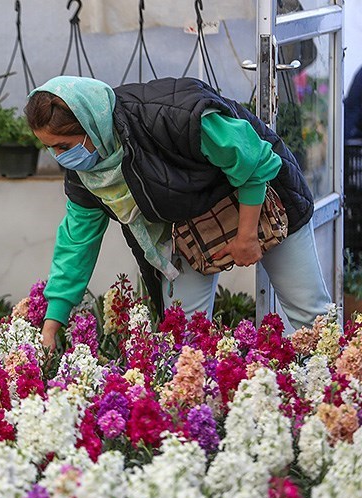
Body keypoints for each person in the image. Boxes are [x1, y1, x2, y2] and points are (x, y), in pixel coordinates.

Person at [23, 75, 332, 350]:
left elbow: (254, 161)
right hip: (192, 223)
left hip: (266, 197)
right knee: (184, 339)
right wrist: (53, 323)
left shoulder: (172, 115)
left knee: (311, 317)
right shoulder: (88, 172)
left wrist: (247, 237)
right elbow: (77, 243)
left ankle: (338, 400)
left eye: (64, 146)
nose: (60, 157)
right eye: (50, 149)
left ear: (92, 125)